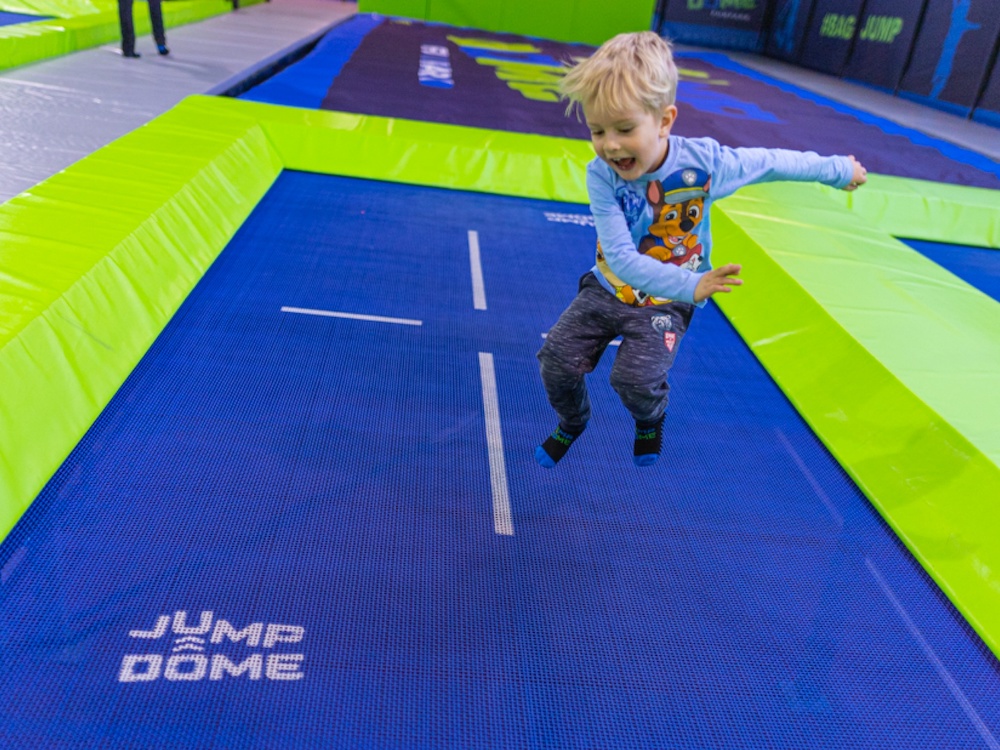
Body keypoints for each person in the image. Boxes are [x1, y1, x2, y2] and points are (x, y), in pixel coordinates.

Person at [535, 31, 867, 468]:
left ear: (665, 121)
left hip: (667, 301)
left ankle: (650, 420)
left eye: (624, 129)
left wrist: (838, 169)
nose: (610, 144)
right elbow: (621, 258)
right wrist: (693, 283)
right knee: (556, 361)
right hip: (611, 288)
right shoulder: (602, 176)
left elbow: (771, 161)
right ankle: (573, 421)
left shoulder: (705, 165)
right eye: (597, 131)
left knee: (634, 381)